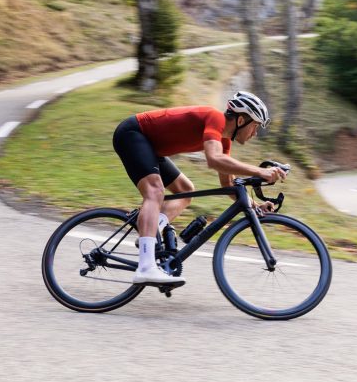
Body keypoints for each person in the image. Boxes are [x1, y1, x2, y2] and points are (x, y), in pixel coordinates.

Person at [112, 91, 287, 285]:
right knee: (155, 191)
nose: (255, 133)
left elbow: (227, 184)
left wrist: (255, 205)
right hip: (133, 134)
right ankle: (145, 268)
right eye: (255, 126)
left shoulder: (224, 140)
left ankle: (150, 231)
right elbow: (214, 160)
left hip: (151, 147)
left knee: (185, 190)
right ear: (240, 121)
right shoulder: (215, 118)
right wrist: (260, 172)